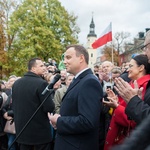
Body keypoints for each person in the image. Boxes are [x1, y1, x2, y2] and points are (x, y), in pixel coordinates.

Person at [48, 44, 103, 150]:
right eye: (64, 58)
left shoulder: (89, 82)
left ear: (81, 58)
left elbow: (87, 122)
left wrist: (59, 121)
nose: (64, 62)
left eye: (68, 57)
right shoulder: (80, 80)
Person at [110, 30, 150, 150]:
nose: (145, 53)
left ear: (141, 68)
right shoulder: (133, 83)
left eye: (146, 47)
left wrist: (130, 102)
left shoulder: (145, 85)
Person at [12, 58, 55, 150]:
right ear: (33, 68)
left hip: (21, 132)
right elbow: (49, 107)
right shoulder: (41, 83)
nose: (45, 68)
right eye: (41, 66)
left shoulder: (16, 83)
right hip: (39, 135)